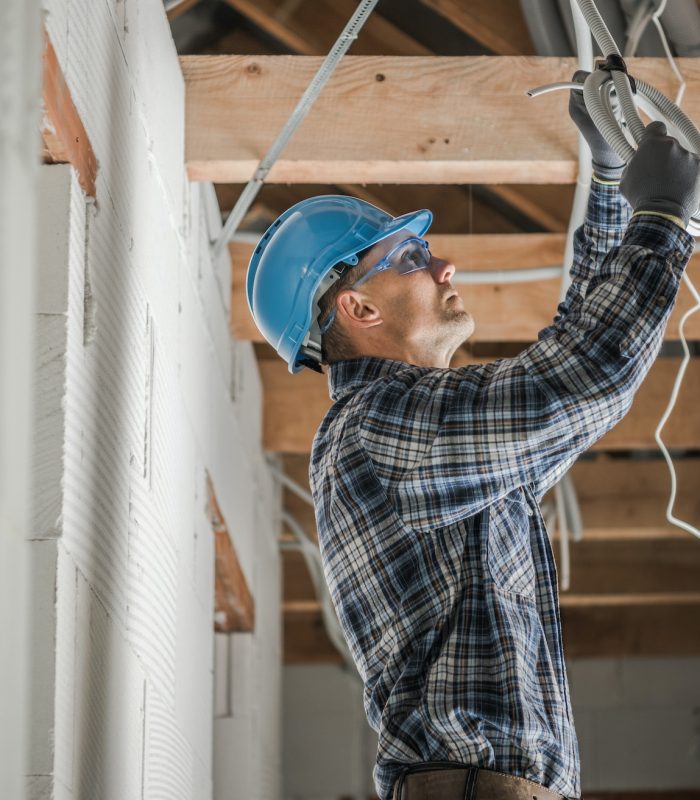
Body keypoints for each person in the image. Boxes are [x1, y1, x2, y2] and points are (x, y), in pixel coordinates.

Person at [246, 73, 700, 800]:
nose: (442, 263)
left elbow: (573, 356)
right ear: (357, 306)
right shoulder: (379, 430)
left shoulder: (417, 437)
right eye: (409, 258)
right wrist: (664, 221)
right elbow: (586, 377)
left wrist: (615, 187)